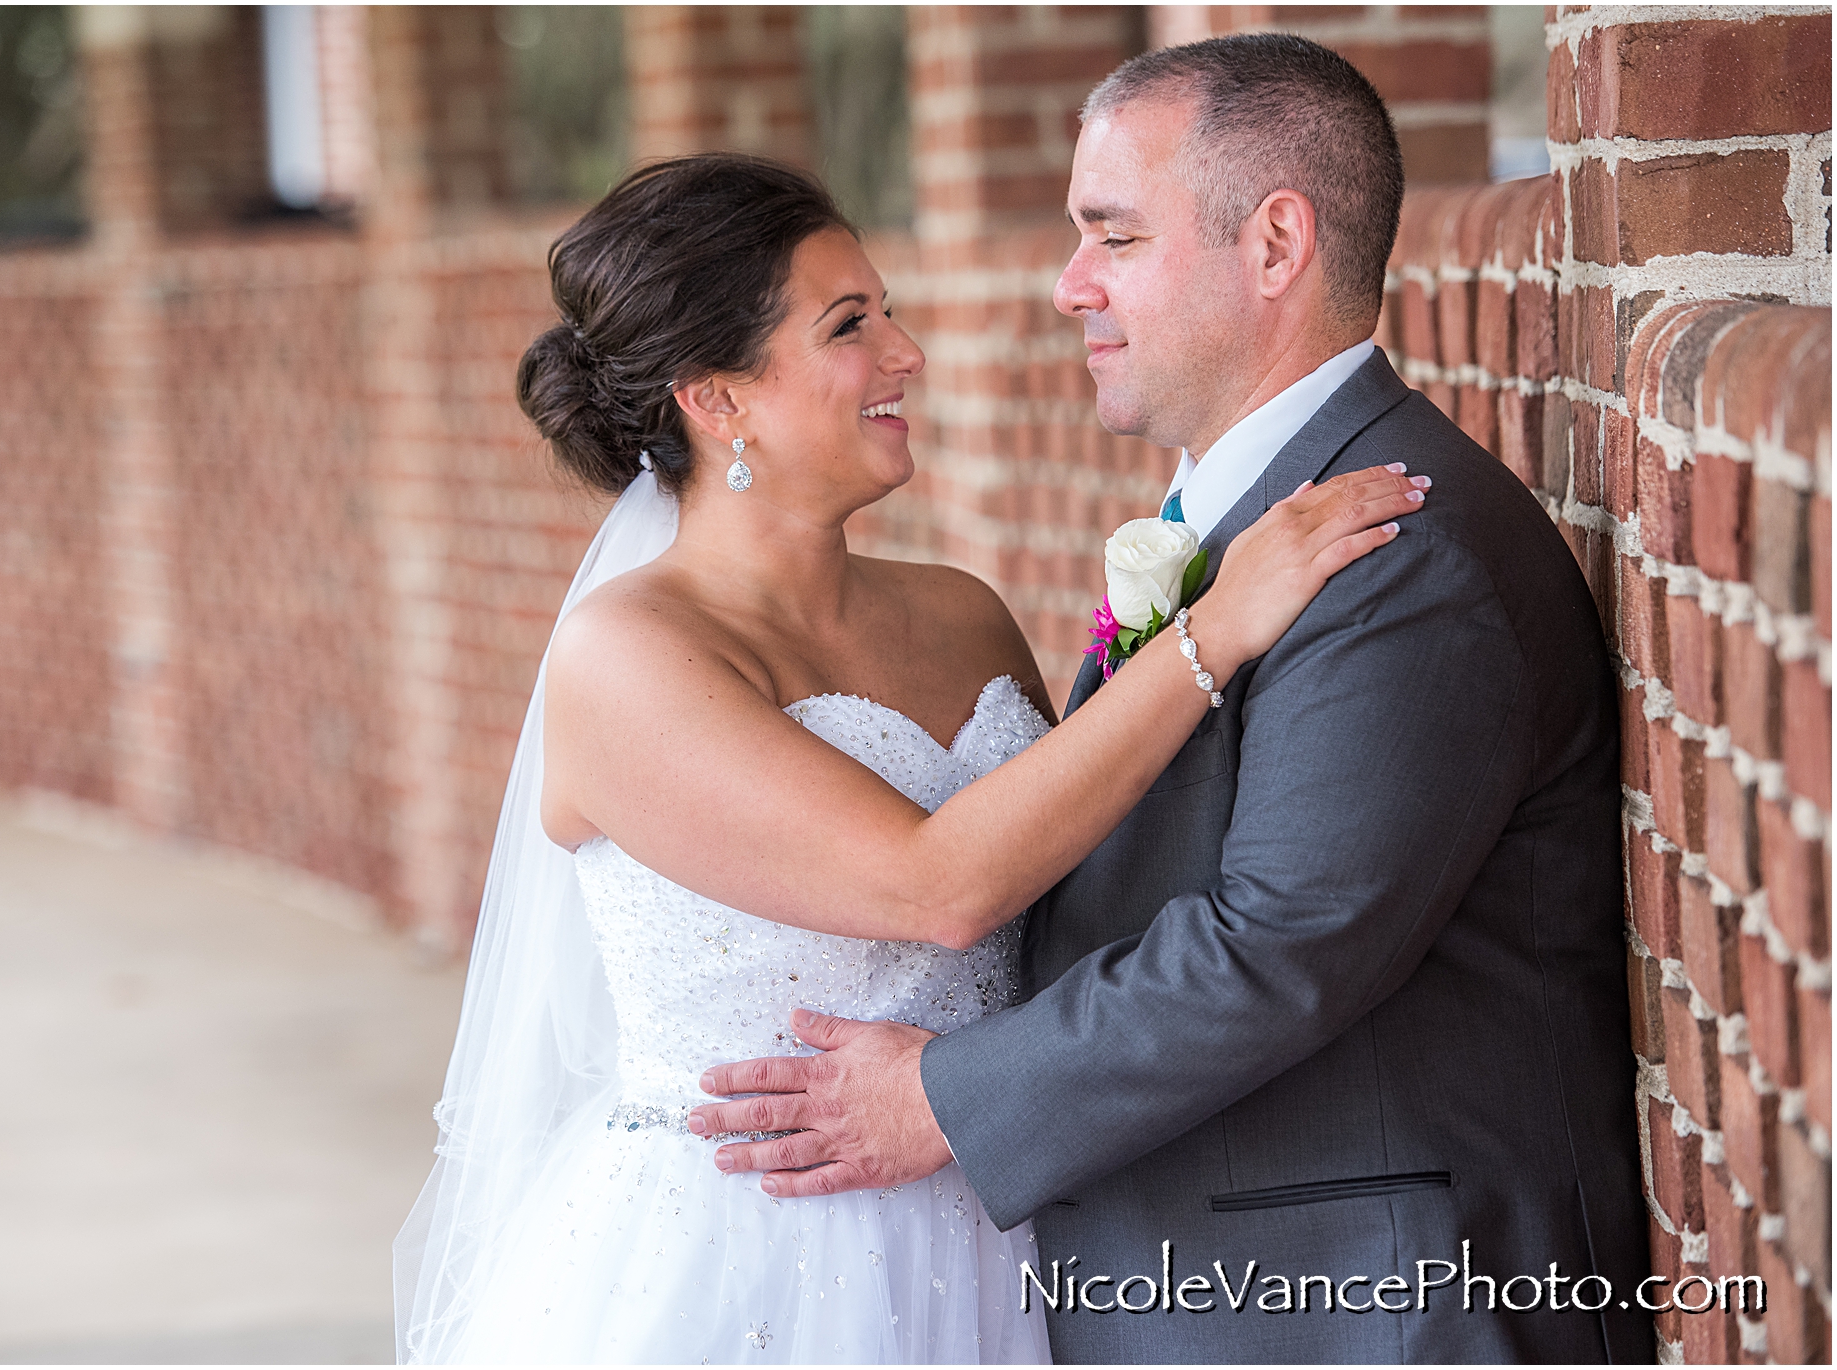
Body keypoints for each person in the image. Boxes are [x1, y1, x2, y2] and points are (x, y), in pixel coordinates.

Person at [688, 36, 1654, 1364]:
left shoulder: (1397, 554)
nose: (1067, 282)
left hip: (1375, 1303)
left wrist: (941, 1099)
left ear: (1274, 246)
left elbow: (1276, 949)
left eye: (1114, 236)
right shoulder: (1256, 522)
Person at [392, 151, 1426, 1364]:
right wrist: (1212, 628)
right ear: (714, 398)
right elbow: (937, 886)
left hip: (1001, 1217)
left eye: (886, 310)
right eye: (849, 325)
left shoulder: (959, 613)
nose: (904, 354)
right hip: (753, 1252)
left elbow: (1076, 879)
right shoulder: (624, 659)